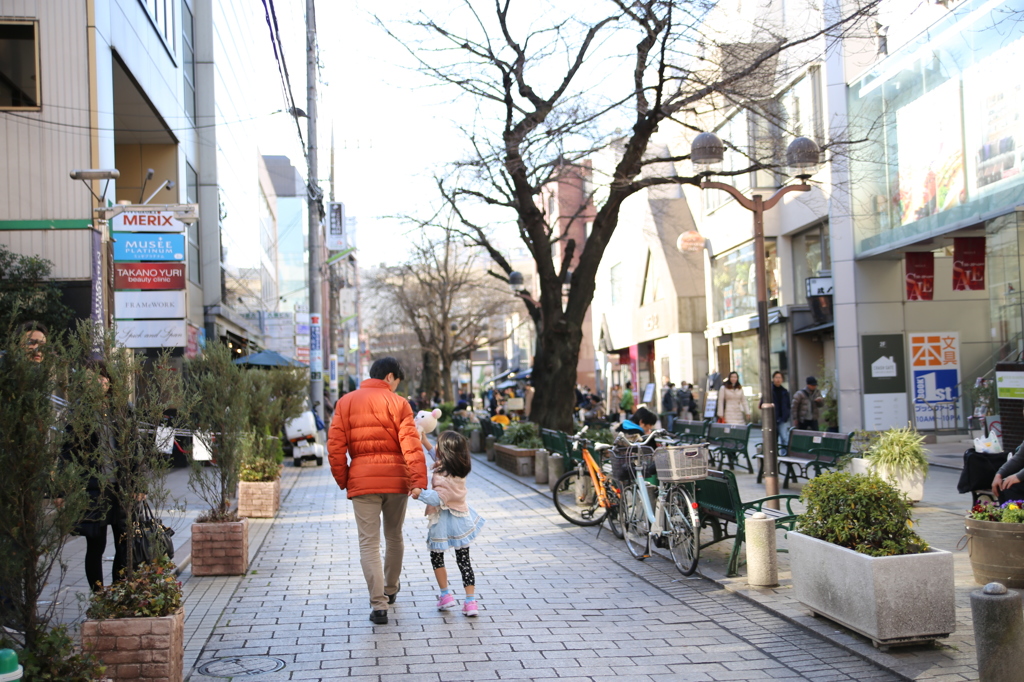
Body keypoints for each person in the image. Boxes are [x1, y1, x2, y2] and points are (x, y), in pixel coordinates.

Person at [327, 357, 428, 625]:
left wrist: (344, 478)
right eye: (397, 382)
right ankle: (391, 590)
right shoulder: (399, 404)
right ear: (390, 377)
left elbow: (335, 445)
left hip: (363, 482)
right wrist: (418, 480)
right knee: (394, 535)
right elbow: (411, 444)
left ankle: (378, 605)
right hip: (397, 480)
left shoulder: (346, 402)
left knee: (368, 543)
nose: (396, 386)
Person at [61, 360, 129, 591]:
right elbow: (67, 451)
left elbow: (134, 447)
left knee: (125, 543)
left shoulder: (121, 409)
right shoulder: (79, 411)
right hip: (94, 489)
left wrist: (139, 483)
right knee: (96, 545)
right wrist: (62, 490)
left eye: (103, 377)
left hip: (120, 489)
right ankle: (99, 595)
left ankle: (120, 591)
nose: (100, 382)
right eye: (93, 378)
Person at [410, 431, 485, 616]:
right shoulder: (457, 466)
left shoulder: (444, 474)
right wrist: (424, 441)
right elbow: (435, 455)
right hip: (460, 517)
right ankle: (470, 601)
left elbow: (438, 498)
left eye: (439, 446)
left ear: (446, 452)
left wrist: (420, 494)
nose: (436, 449)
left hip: (444, 520)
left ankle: (445, 595)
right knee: (464, 559)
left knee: (437, 557)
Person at [770, 372, 791, 446]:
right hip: (772, 419)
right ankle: (775, 456)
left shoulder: (784, 391)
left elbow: (788, 405)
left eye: (779, 377)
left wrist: (786, 415)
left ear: (782, 379)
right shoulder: (769, 391)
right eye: (776, 377)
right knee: (772, 440)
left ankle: (784, 456)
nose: (778, 379)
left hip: (783, 418)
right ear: (773, 379)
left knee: (785, 439)